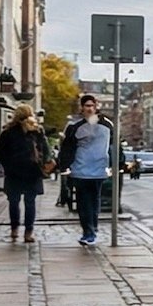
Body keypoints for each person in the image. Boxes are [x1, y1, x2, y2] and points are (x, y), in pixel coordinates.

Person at [54, 94, 115, 245]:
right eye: (86, 106)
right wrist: (64, 165)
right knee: (83, 202)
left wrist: (115, 163)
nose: (89, 109)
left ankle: (92, 229)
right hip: (80, 169)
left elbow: (113, 145)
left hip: (99, 168)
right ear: (81, 108)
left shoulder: (107, 125)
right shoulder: (75, 127)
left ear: (96, 107)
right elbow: (67, 148)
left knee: (94, 200)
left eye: (91, 106)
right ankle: (88, 230)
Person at [0, 105, 49, 244]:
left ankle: (14, 229)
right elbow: (45, 150)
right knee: (30, 203)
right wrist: (41, 164)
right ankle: (28, 232)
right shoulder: (37, 130)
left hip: (14, 172)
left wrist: (7, 165)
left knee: (13, 202)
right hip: (33, 171)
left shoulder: (8, 132)